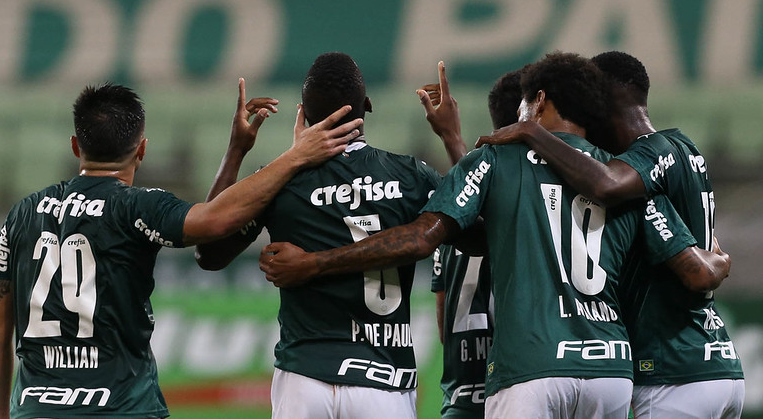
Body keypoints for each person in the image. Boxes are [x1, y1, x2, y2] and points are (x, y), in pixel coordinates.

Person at [258, 52, 731, 418]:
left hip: (531, 367)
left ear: (539, 101)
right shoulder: (621, 177)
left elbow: (427, 239)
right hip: (611, 370)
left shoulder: (499, 158)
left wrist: (314, 263)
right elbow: (692, 267)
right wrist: (718, 260)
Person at [0, 80, 362, 419]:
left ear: (76, 145)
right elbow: (215, 222)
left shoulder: (24, 212)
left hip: (35, 408)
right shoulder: (136, 206)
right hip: (121, 406)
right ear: (142, 149)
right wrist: (294, 156)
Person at [477, 50, 744, 417]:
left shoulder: (646, 161)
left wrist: (530, 130)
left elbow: (605, 184)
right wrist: (719, 260)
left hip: (671, 368)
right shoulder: (687, 149)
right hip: (715, 360)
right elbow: (705, 260)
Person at [195, 52, 447, 419]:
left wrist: (236, 150)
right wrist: (452, 137)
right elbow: (470, 232)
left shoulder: (277, 182)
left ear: (303, 114)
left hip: (304, 377)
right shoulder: (412, 176)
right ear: (368, 106)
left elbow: (209, 254)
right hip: (384, 380)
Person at [416, 64, 523, 418]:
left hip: (462, 399)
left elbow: (444, 326)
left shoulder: (447, 213)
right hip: (520, 391)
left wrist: (452, 139)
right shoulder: (540, 199)